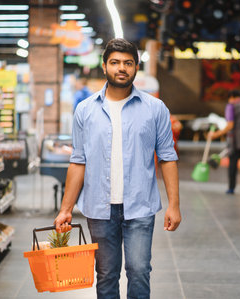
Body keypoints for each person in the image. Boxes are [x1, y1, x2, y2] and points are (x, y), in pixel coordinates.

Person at [54, 38, 181, 299]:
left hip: (140, 206)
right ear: (104, 66)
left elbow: (167, 157)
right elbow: (78, 161)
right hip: (99, 208)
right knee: (106, 273)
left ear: (136, 67)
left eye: (128, 63)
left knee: (139, 271)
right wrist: (66, 209)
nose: (121, 68)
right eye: (115, 62)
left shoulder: (155, 109)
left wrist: (174, 205)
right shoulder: (85, 110)